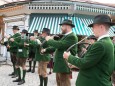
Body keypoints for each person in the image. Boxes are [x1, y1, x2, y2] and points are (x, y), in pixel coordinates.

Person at [63, 15, 115, 86]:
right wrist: (76, 65)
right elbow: (96, 65)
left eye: (93, 27)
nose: (92, 29)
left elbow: (84, 63)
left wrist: (68, 57)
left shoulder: (100, 44)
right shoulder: (108, 42)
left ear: (101, 27)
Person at [43, 19, 78, 86]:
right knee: (59, 83)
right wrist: (46, 50)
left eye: (62, 26)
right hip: (60, 64)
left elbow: (60, 45)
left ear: (67, 26)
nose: (61, 28)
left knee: (64, 83)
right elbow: (57, 47)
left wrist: (49, 40)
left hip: (64, 65)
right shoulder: (65, 36)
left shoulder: (72, 36)